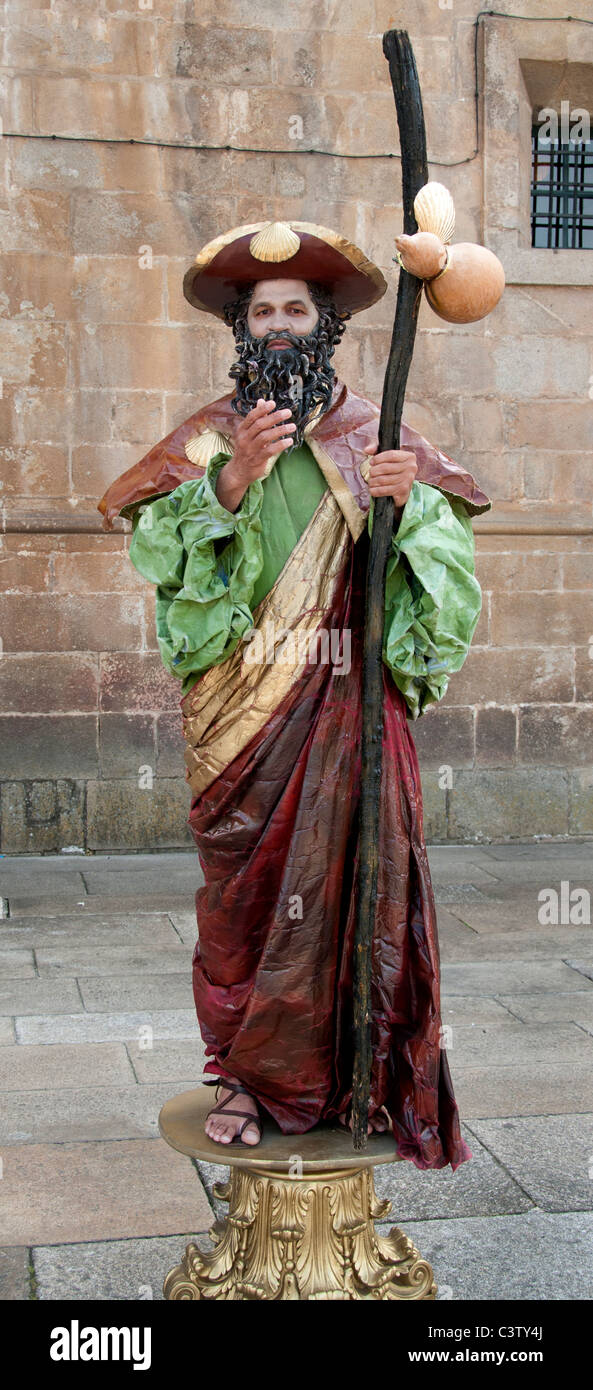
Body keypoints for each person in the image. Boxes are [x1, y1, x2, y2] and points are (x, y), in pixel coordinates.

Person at [99, 220, 490, 1167]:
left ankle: (350, 1068)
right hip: (240, 721)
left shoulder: (380, 437)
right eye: (261, 311)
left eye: (294, 309)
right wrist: (233, 481)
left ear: (325, 326)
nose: (276, 324)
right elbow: (156, 551)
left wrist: (407, 505)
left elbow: (444, 579)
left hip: (344, 707)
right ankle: (243, 1072)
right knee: (242, 899)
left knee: (351, 883)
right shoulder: (207, 438)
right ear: (243, 329)